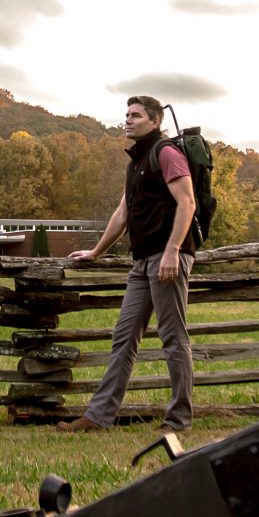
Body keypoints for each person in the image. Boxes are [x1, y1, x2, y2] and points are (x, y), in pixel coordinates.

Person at [60, 94, 198, 433]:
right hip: (142, 262)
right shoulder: (135, 161)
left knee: (173, 338)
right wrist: (96, 251)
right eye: (126, 114)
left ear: (154, 121)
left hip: (167, 258)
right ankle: (98, 417)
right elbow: (122, 213)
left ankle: (179, 420)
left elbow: (188, 203)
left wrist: (172, 251)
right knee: (124, 336)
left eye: (135, 115)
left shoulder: (166, 152)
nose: (127, 119)